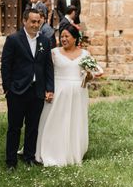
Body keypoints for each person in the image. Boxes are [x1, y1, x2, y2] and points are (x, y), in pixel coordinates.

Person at [36, 24, 99, 166]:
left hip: (78, 94)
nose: (63, 39)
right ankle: (51, 151)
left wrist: (89, 76)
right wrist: (47, 90)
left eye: (66, 36)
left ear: (75, 38)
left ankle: (72, 152)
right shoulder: (54, 52)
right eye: (61, 36)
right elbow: (45, 72)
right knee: (55, 121)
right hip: (58, 93)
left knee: (74, 121)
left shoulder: (85, 54)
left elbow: (90, 75)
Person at [0, 9, 54, 170]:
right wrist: (7, 88)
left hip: (37, 91)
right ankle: (11, 161)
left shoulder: (45, 41)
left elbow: (47, 66)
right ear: (24, 21)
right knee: (14, 127)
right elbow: (5, 65)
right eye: (32, 21)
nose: (36, 24)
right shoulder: (13, 39)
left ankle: (29, 157)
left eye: (38, 21)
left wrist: (49, 88)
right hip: (17, 91)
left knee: (33, 127)